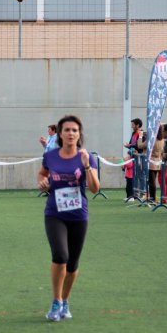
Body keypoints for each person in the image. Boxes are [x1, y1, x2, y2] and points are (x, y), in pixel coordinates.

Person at [37, 114, 100, 322]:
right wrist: (43, 182)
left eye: (74, 130)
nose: (71, 133)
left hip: (78, 215)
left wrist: (87, 167)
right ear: (60, 134)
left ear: (79, 133)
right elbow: (42, 174)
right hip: (54, 213)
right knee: (60, 256)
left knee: (72, 264)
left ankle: (65, 301)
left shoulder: (86, 156)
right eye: (67, 130)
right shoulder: (51, 156)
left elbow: (94, 188)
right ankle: (55, 301)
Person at [145, 124, 164, 202]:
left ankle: (152, 198)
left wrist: (140, 137)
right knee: (153, 181)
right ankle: (153, 197)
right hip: (158, 160)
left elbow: (141, 146)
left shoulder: (152, 138)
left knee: (151, 181)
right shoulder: (162, 139)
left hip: (151, 161)